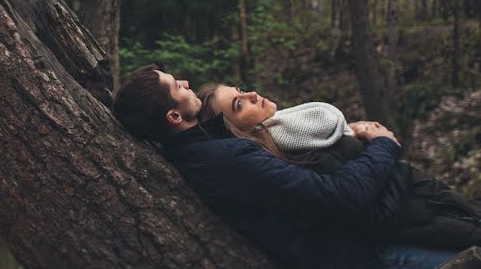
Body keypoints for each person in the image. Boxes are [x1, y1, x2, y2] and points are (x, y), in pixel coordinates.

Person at [111, 65, 473, 269]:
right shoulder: (225, 160)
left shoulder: (209, 151)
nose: (185, 81)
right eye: (176, 86)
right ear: (174, 116)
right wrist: (383, 146)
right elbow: (342, 197)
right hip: (367, 257)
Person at [197, 83, 481, 252]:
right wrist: (384, 148)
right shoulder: (296, 157)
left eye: (242, 90)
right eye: (239, 104)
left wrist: (362, 142)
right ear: (238, 131)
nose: (252, 94)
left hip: (430, 199)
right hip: (426, 223)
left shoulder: (303, 130)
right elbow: (376, 216)